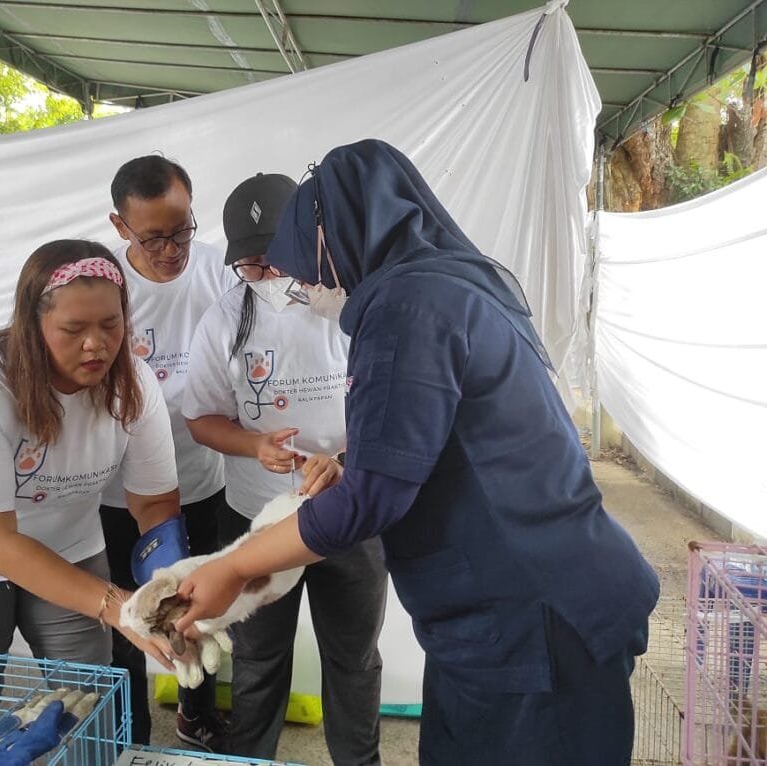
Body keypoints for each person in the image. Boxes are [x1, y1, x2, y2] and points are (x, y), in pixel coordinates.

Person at [175, 140, 661, 766]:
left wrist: (234, 568)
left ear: (336, 237)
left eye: (302, 271)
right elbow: (440, 436)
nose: (305, 288)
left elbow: (368, 503)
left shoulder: (409, 308)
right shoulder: (452, 282)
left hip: (532, 616)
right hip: (498, 617)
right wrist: (351, 465)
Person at [0, 239, 187, 711]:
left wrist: (170, 587)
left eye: (111, 324)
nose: (96, 344)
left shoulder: (133, 383)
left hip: (69, 547)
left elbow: (155, 504)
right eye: (73, 328)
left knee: (88, 701)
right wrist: (114, 604)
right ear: (32, 326)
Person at [182, 172, 386, 765]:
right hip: (258, 516)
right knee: (258, 656)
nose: (267, 277)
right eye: (249, 266)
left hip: (351, 511)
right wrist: (254, 446)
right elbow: (202, 418)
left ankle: (359, 760)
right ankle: (249, 757)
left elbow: (392, 409)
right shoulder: (224, 320)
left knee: (353, 655)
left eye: (275, 260)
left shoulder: (351, 305)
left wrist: (345, 460)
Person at [99, 155, 235, 750]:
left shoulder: (219, 274)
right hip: (116, 490)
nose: (173, 248)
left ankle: (196, 714)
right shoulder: (104, 287)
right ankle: (131, 733)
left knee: (198, 611)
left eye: (183, 230)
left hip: (201, 479)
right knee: (126, 616)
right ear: (120, 225)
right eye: (155, 237)